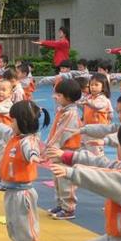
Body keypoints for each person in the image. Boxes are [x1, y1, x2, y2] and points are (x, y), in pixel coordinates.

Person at [0, 100, 50, 241]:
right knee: (14, 225)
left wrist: (34, 158)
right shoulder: (15, 136)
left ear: (22, 122)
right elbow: (5, 130)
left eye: (13, 120)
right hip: (11, 190)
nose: (11, 123)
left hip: (23, 193)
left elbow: (32, 150)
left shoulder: (28, 141)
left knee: (25, 226)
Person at [46, 79, 83, 220]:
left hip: (67, 151)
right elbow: (55, 131)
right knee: (57, 179)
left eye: (59, 95)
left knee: (66, 180)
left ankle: (69, 208)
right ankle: (61, 204)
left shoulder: (71, 113)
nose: (55, 97)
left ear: (67, 97)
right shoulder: (63, 111)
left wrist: (49, 147)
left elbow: (62, 133)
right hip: (59, 150)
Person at [80, 73, 113, 156]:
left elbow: (97, 106)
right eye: (91, 85)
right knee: (84, 145)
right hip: (88, 127)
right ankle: (86, 160)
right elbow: (83, 105)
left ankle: (99, 163)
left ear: (103, 87)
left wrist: (88, 103)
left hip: (97, 129)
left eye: (96, 85)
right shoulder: (89, 97)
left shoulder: (103, 98)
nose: (93, 87)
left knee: (96, 149)